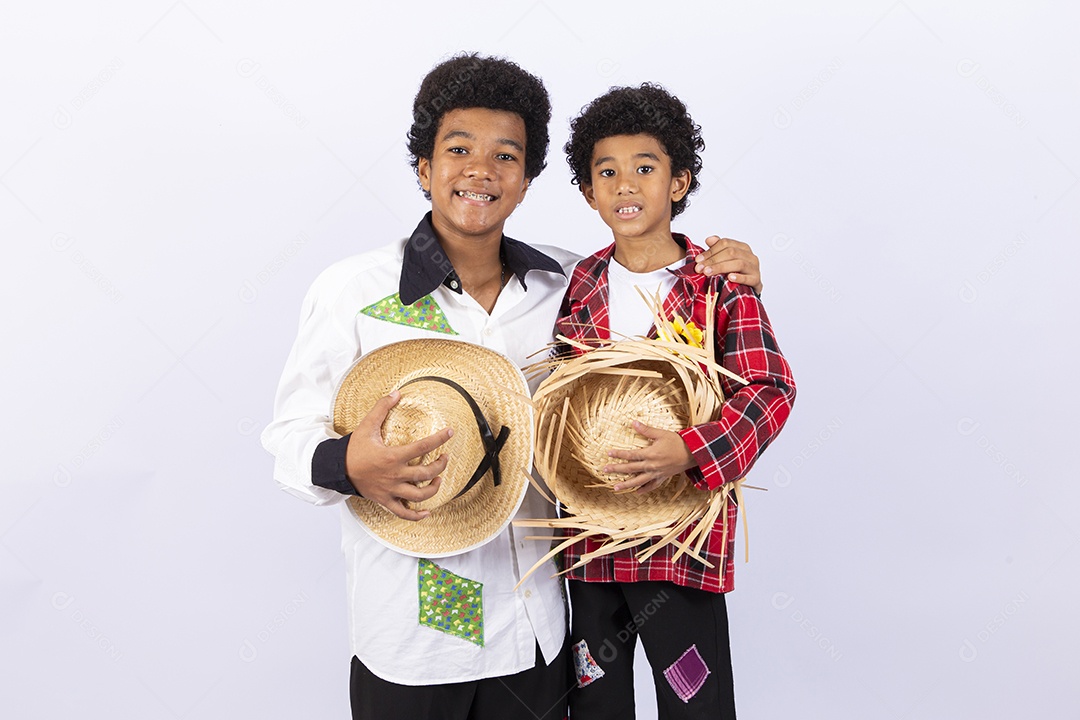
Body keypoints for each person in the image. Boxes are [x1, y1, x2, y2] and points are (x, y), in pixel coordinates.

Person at [261, 55, 763, 720]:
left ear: (527, 181)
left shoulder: (570, 283)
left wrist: (729, 275)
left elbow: (664, 323)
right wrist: (347, 463)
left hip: (542, 636)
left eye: (506, 156)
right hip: (413, 643)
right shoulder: (354, 291)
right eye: (458, 149)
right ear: (423, 169)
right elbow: (290, 437)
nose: (480, 170)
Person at [554, 83, 797, 719]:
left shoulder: (717, 283)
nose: (625, 185)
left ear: (680, 182)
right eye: (606, 172)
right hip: (590, 535)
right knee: (596, 699)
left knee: (695, 701)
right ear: (587, 192)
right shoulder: (578, 283)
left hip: (680, 540)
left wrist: (691, 450)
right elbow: (557, 395)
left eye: (645, 168)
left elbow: (769, 389)